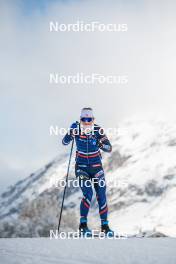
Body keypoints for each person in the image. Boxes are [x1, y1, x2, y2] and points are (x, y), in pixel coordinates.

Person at [62, 107, 114, 236]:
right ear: (80, 119)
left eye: (89, 119)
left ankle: (105, 226)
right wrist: (70, 133)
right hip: (81, 168)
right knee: (88, 193)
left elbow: (109, 148)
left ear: (93, 119)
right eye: (84, 119)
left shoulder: (98, 130)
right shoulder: (76, 129)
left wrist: (99, 143)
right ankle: (83, 226)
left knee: (101, 194)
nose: (86, 122)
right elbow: (64, 142)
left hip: (97, 168)